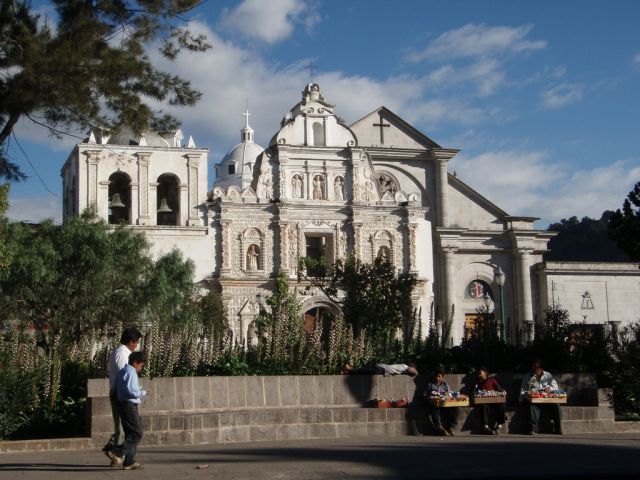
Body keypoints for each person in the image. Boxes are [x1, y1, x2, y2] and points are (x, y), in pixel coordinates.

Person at [103, 327, 142, 465]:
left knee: (128, 429)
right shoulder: (121, 354)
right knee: (125, 428)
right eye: (136, 342)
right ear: (131, 342)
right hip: (122, 396)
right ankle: (115, 452)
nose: (137, 345)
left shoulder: (122, 352)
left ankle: (127, 459)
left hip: (123, 395)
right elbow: (124, 377)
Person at [112, 351, 147, 470]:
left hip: (122, 404)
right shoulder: (131, 372)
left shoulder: (122, 371)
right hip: (129, 405)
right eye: (140, 365)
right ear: (135, 363)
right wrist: (142, 393)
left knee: (130, 433)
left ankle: (129, 461)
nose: (140, 368)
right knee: (137, 433)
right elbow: (132, 391)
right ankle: (117, 451)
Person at [520, 359, 563, 435]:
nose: (533, 369)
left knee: (556, 405)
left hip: (546, 400)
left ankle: (558, 428)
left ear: (541, 368)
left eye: (535, 367)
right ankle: (533, 429)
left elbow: (555, 386)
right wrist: (524, 397)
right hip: (534, 400)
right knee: (532, 406)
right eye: (533, 367)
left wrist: (551, 388)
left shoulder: (548, 375)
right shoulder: (528, 376)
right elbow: (523, 390)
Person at [424, 369, 460, 436]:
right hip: (434, 403)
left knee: (456, 408)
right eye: (436, 376)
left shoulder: (445, 385)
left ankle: (452, 427)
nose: (437, 378)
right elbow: (425, 395)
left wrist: (446, 395)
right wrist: (431, 397)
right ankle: (440, 428)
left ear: (442, 377)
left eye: (439, 376)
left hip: (444, 403)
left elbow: (449, 395)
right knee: (434, 409)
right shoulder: (430, 385)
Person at [473, 366, 507, 435]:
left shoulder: (492, 380)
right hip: (485, 401)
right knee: (483, 405)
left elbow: (499, 388)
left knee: (502, 404)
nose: (478, 373)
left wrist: (502, 391)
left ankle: (499, 424)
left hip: (494, 400)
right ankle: (485, 426)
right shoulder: (478, 383)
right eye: (478, 372)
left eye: (480, 371)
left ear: (485, 373)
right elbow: (475, 393)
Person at [341, 362, 418, 377]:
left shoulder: (404, 369)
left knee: (364, 372)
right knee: (364, 371)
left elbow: (411, 371)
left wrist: (416, 372)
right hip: (381, 369)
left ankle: (348, 371)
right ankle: (348, 370)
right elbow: (412, 371)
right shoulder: (404, 367)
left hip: (381, 370)